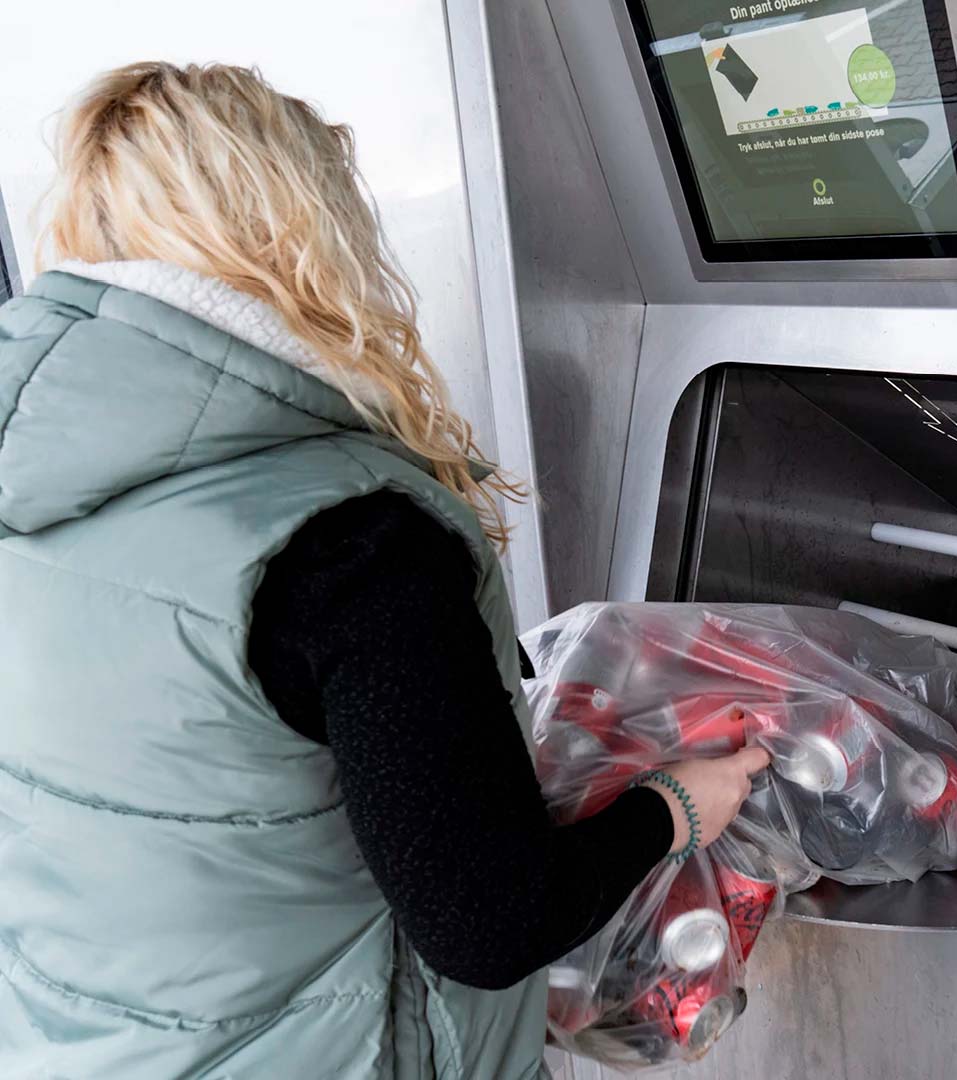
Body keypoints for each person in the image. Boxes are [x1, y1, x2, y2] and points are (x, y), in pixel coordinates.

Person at [0, 61, 770, 1079]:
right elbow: (488, 921)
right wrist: (674, 806)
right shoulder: (349, 546)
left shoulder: (39, 497)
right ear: (299, 229)